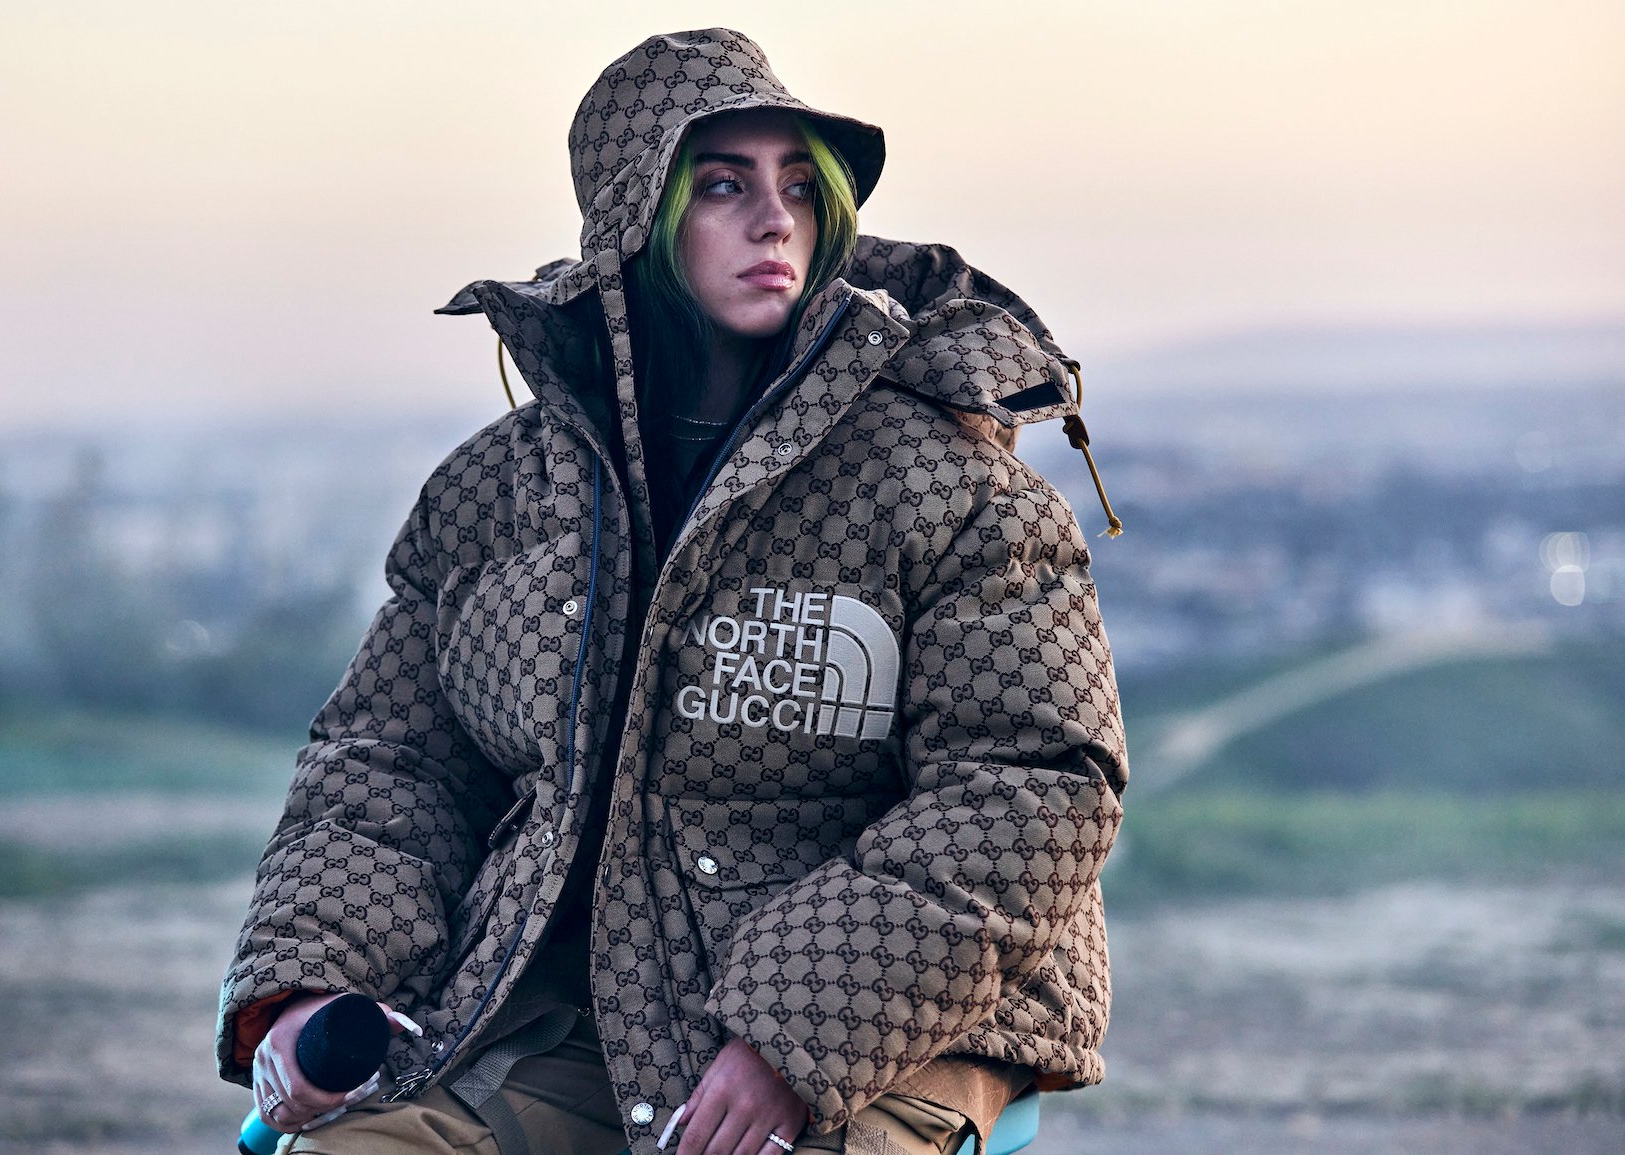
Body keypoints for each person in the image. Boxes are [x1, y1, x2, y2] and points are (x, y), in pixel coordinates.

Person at [218, 27, 1128, 1155]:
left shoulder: (949, 483)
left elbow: (1034, 788)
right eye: (722, 187)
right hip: (574, 1012)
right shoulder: (500, 493)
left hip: (899, 1027)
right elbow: (388, 765)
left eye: (801, 186)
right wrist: (313, 987)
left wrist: (795, 1038)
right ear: (635, 223)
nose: (774, 218)